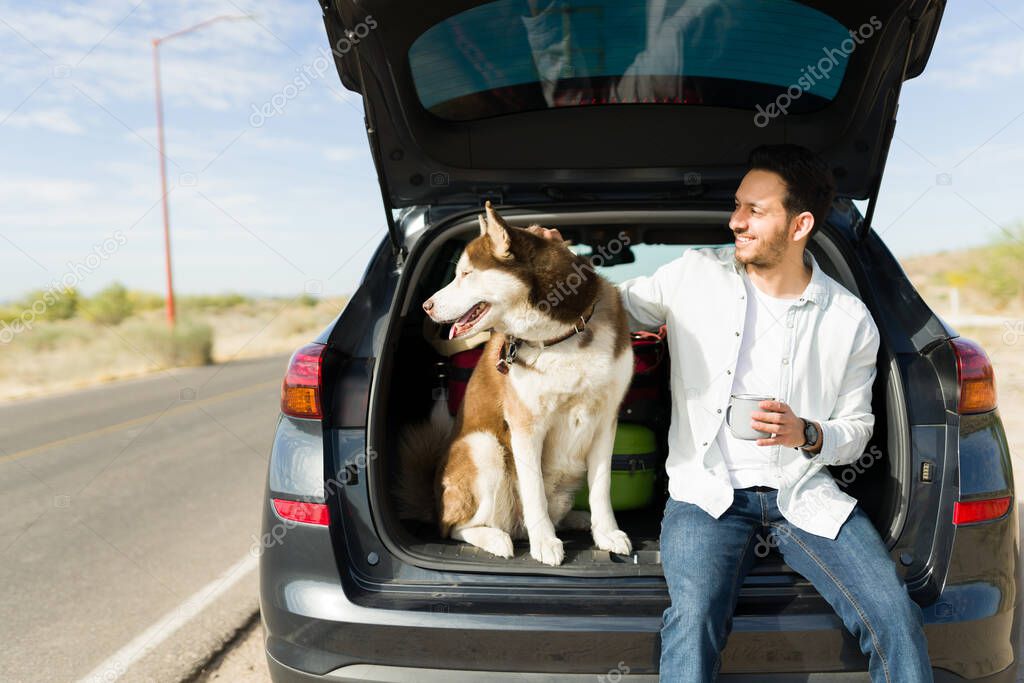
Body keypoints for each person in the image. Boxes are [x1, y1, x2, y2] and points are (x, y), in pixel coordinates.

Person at [530, 144, 932, 682]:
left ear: (800, 224)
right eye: (737, 206)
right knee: (693, 621)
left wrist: (807, 432)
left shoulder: (850, 318)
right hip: (706, 493)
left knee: (896, 618)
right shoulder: (694, 274)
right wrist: (563, 264)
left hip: (804, 495)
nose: (735, 221)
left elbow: (857, 433)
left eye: (755, 211)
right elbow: (607, 302)